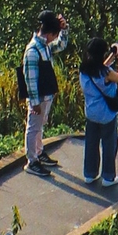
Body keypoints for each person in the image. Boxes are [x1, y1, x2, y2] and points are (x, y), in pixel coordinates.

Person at [22, 10, 69, 177]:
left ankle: (39, 151)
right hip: (38, 97)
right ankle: (32, 160)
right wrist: (34, 102)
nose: (55, 39)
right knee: (33, 127)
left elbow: (61, 45)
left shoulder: (45, 47)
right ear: (50, 33)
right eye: (55, 35)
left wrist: (64, 29)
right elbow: (30, 79)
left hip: (46, 95)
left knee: (40, 126)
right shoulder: (33, 50)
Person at [78, 36, 118, 187]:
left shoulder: (84, 70)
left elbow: (99, 69)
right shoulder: (106, 72)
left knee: (91, 143)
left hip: (91, 113)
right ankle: (108, 177)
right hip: (106, 115)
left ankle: (89, 174)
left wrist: (112, 54)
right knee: (109, 144)